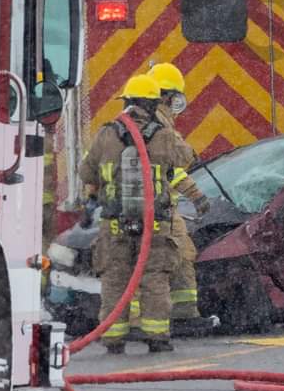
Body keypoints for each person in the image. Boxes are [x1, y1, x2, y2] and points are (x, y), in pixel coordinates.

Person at [79, 74, 196, 354]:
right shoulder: (164, 135)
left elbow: (86, 172)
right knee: (155, 278)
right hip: (154, 223)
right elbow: (188, 158)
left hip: (114, 224)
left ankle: (113, 340)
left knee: (114, 280)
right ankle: (157, 338)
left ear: (128, 102)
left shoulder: (106, 134)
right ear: (155, 104)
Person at [147, 62, 211, 334]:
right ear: (164, 96)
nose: (176, 103)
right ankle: (174, 320)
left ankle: (183, 315)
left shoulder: (144, 125)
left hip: (152, 207)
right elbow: (176, 162)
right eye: (174, 97)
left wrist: (196, 194)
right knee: (169, 262)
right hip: (158, 210)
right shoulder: (157, 128)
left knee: (177, 259)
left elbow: (168, 171)